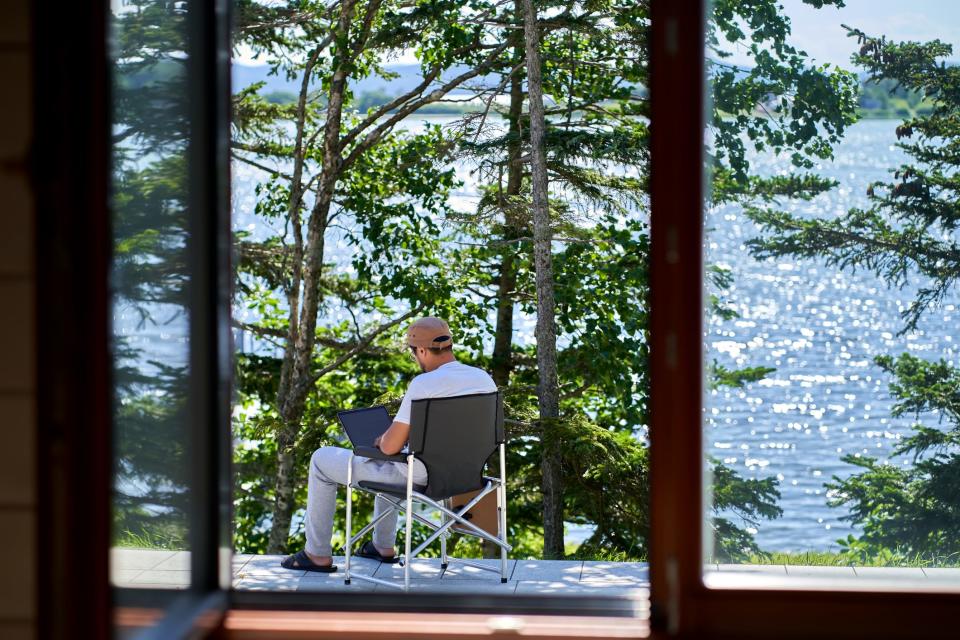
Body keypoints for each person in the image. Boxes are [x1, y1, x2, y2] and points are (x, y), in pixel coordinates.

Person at [281, 316, 497, 572]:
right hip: (466, 477)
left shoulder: (423, 384)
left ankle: (316, 554)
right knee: (400, 459)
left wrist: (384, 439)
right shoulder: (483, 379)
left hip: (421, 480)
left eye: (414, 354)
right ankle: (382, 546)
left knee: (322, 459)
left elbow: (389, 448)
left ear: (422, 350)